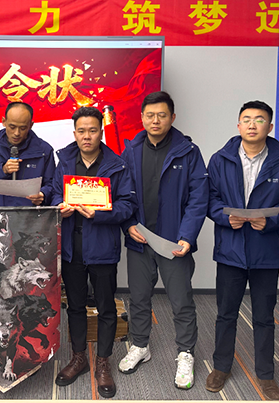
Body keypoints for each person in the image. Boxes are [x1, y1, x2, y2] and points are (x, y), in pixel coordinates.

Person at [205, 101, 279, 400]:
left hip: (266, 250)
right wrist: (225, 217)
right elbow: (209, 199)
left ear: (269, 127)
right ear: (238, 125)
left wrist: (271, 222)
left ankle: (266, 374)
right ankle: (221, 367)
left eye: (259, 119)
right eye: (246, 119)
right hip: (231, 248)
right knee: (226, 313)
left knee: (264, 316)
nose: (252, 124)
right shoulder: (220, 159)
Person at [118, 91, 208, 390]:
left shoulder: (188, 151)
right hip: (140, 239)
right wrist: (128, 224)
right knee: (139, 298)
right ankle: (140, 345)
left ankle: (186, 352)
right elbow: (122, 193)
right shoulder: (131, 150)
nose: (155, 120)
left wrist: (187, 236)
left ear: (172, 117)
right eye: (150, 115)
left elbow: (199, 198)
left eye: (162, 115)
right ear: (142, 118)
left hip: (173, 242)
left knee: (181, 301)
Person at [52, 106, 136, 399]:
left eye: (92, 130)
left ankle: (102, 362)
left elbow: (127, 205)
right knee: (75, 305)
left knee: (106, 307)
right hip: (71, 247)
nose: (86, 136)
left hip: (102, 246)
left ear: (101, 132)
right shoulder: (64, 161)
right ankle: (78, 358)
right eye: (81, 131)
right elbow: (55, 192)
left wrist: (100, 214)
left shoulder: (117, 165)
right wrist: (59, 206)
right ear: (74, 133)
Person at [0, 102, 55, 206]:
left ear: (31, 125)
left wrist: (43, 194)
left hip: (32, 213)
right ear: (4, 122)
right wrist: (2, 170)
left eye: (23, 128)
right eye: (12, 127)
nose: (17, 133)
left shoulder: (44, 151)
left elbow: (53, 185)